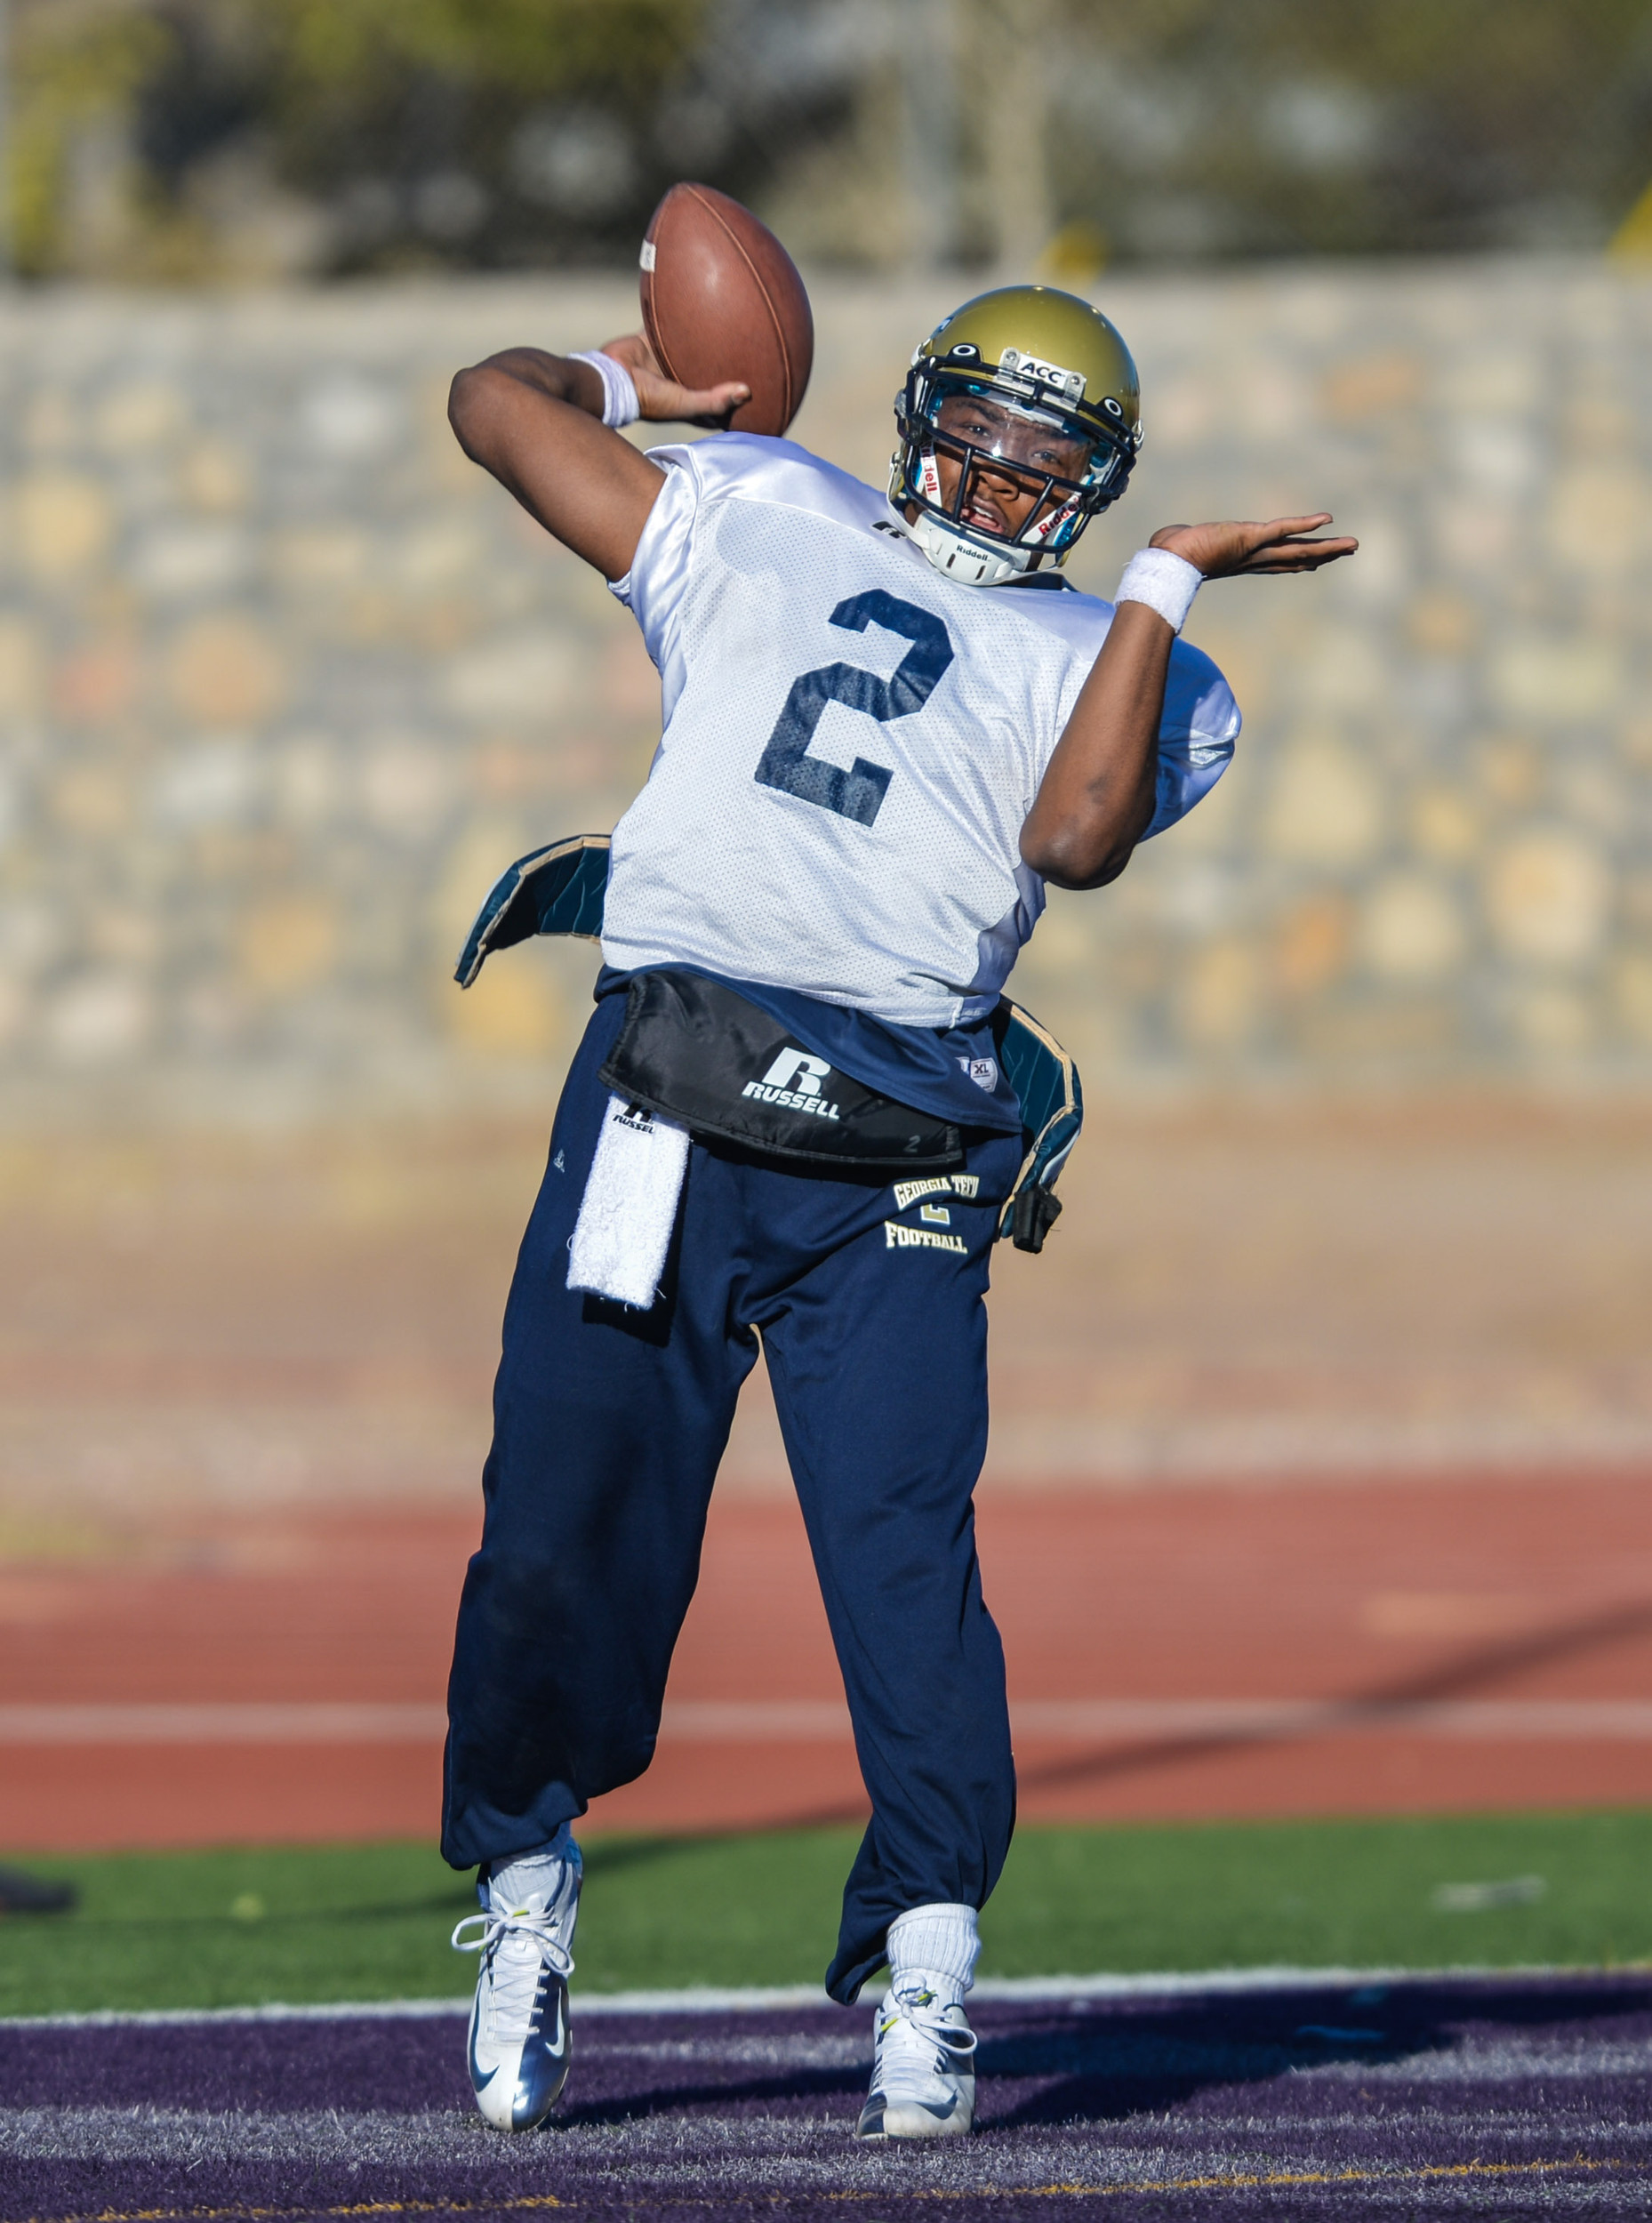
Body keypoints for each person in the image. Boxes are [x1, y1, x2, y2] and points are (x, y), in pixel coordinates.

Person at [439, 285, 1356, 2139]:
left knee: (902, 1564)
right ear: (913, 410)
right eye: (978, 429)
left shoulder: (1131, 656)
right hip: (666, 1103)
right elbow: (488, 401)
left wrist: (1165, 581)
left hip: (898, 1154)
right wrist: (649, 385)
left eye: (1044, 458)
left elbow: (1070, 844)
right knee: (560, 1524)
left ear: (1090, 489)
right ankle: (524, 1900)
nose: (997, 474)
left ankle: (926, 1964)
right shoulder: (756, 502)